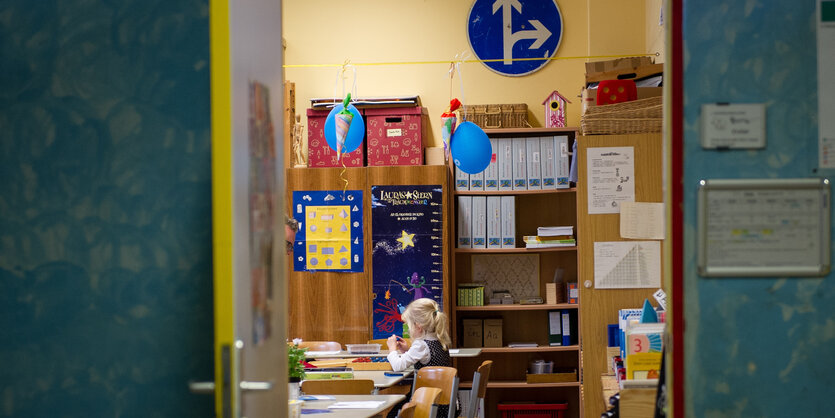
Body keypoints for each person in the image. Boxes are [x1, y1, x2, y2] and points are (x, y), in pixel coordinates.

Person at [386, 298, 456, 418]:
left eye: (409, 325)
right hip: (448, 404)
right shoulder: (439, 340)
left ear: (418, 327)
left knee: (392, 414)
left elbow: (397, 366)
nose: (408, 329)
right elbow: (428, 358)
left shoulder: (421, 344)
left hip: (429, 404)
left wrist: (392, 349)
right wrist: (407, 351)